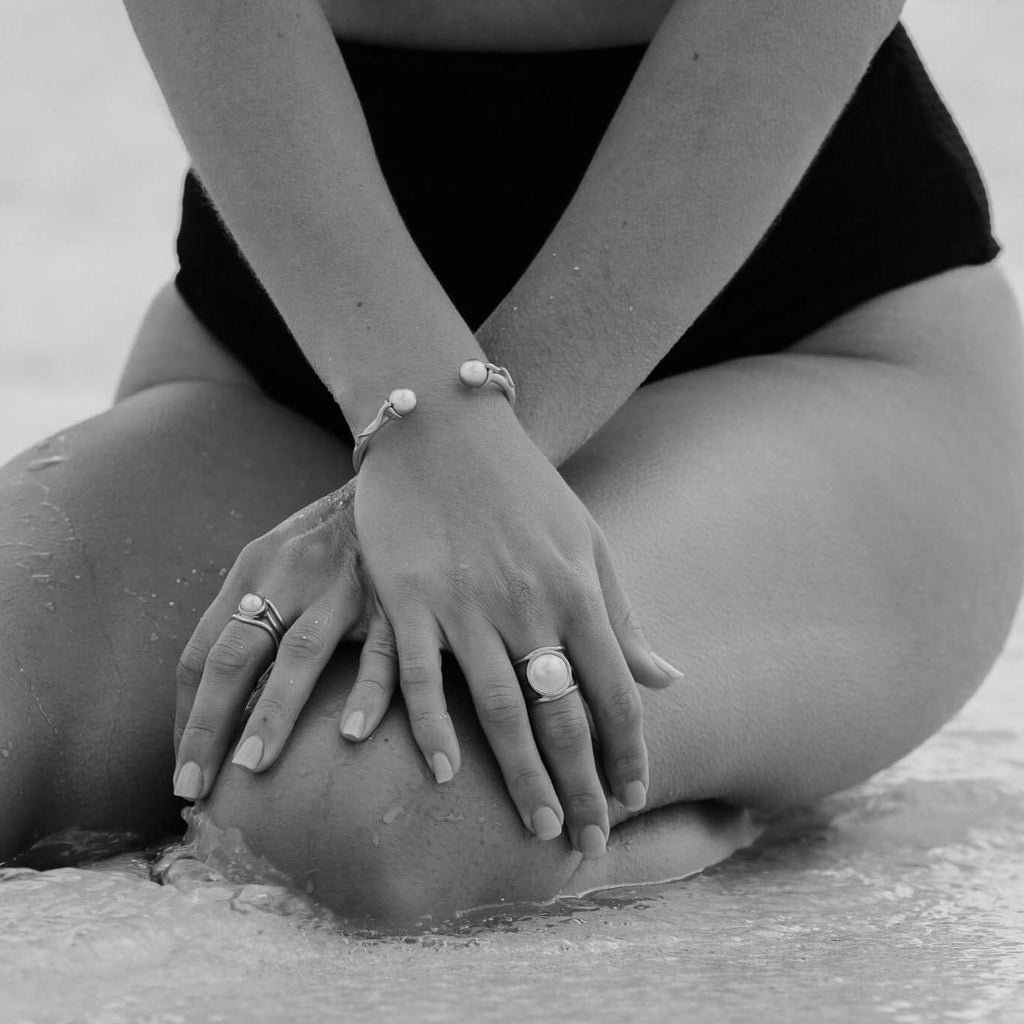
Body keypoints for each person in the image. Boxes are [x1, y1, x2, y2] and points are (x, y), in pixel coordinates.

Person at [2, 0, 1022, 923]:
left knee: (363, 820)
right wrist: (415, 432)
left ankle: (728, 805)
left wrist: (443, 444)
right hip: (304, 334)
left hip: (795, 329)